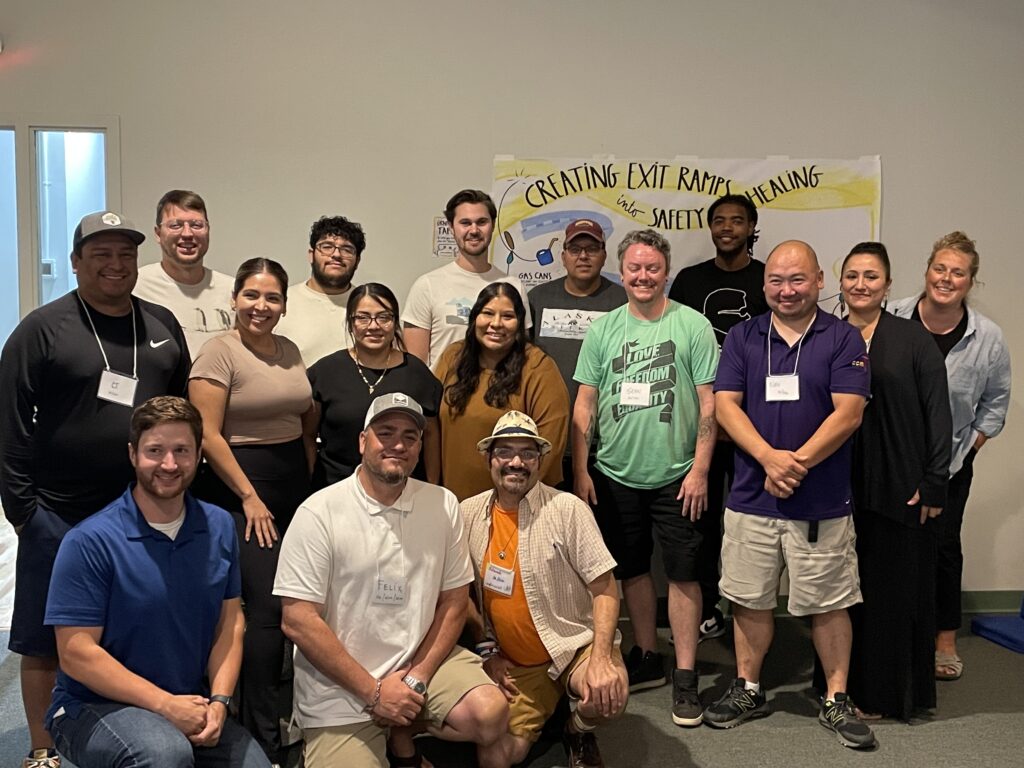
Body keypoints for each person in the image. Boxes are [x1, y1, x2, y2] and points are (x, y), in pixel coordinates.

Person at [0, 210, 190, 768]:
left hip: (141, 512)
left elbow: (178, 417)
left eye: (125, 254)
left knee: (131, 625)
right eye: (101, 254)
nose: (115, 264)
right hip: (58, 513)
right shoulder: (43, 328)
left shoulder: (161, 324)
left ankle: (125, 727)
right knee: (46, 634)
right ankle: (41, 747)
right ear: (78, 262)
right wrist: (26, 515)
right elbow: (8, 426)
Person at [275, 393, 509, 768]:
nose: (398, 445)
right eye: (385, 433)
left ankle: (403, 731)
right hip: (339, 690)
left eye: (410, 436)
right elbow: (298, 620)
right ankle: (392, 741)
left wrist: (416, 679)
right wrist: (375, 693)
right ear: (363, 441)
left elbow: (454, 600)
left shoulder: (442, 504)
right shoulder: (318, 512)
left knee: (490, 714)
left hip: (419, 664)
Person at [707, 240, 875, 749]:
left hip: (820, 500)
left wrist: (795, 462)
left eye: (797, 279)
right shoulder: (743, 336)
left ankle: (835, 697)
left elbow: (849, 413)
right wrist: (769, 459)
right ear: (764, 285)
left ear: (819, 281)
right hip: (751, 498)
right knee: (749, 599)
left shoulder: (844, 339)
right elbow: (725, 405)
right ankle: (749, 688)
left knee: (829, 602)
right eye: (777, 280)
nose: (786, 290)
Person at [44, 396, 270, 768]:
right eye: (155, 451)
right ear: (133, 454)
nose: (169, 464)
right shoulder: (90, 541)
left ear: (200, 455)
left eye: (182, 450)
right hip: (91, 705)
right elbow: (76, 653)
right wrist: (164, 705)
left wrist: (220, 701)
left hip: (187, 700)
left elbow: (230, 623)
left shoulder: (218, 527)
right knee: (163, 754)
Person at [572, 229, 718, 727]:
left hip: (678, 477)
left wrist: (700, 469)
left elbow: (708, 404)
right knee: (631, 568)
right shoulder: (603, 329)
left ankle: (684, 675)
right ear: (622, 271)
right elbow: (584, 405)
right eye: (634, 268)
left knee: (682, 573)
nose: (642, 276)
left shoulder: (693, 326)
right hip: (613, 474)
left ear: (666, 272)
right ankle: (646, 654)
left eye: (652, 268)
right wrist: (580, 471)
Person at [188, 257, 315, 763]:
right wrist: (248, 497)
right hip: (242, 491)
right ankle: (262, 736)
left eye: (272, 298)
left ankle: (285, 711)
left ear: (284, 305)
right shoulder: (218, 353)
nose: (261, 306)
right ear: (234, 299)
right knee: (265, 612)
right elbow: (208, 435)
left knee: (296, 602)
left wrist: (304, 474)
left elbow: (302, 415)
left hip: (290, 487)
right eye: (252, 296)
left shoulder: (289, 350)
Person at [462, 411, 628, 768]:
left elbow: (605, 589)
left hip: (574, 646)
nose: (516, 462)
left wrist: (600, 658)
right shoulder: (468, 514)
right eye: (505, 452)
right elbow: (462, 597)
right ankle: (548, 707)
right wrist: (487, 651)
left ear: (540, 460)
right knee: (497, 755)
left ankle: (577, 728)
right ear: (489, 458)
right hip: (517, 663)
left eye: (528, 453)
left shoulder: (568, 509)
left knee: (608, 691)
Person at [890, 231, 1011, 682]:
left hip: (951, 465)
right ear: (926, 271)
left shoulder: (988, 338)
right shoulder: (893, 316)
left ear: (970, 281)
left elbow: (995, 404)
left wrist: (967, 451)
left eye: (958, 272)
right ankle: (894, 633)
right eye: (939, 268)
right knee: (888, 545)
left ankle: (943, 640)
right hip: (892, 459)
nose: (946, 278)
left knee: (942, 547)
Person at [838, 242, 952, 720]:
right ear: (839, 282)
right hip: (839, 486)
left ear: (887, 284)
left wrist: (934, 481)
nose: (860, 285)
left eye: (871, 276)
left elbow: (939, 413)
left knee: (892, 593)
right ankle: (844, 688)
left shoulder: (913, 339)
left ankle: (889, 694)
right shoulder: (827, 336)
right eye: (852, 276)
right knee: (844, 593)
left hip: (900, 484)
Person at [668, 194, 769, 643]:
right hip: (701, 424)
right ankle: (707, 606)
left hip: (756, 424)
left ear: (751, 226)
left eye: (737, 221)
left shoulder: (768, 280)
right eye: (719, 221)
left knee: (750, 521)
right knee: (701, 521)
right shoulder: (690, 281)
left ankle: (750, 609)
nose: (727, 228)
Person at [434, 282, 569, 501]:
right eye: (488, 313)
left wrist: (512, 502)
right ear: (474, 318)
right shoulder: (452, 357)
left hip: (515, 506)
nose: (496, 324)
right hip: (452, 502)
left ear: (519, 324)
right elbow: (431, 427)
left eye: (507, 316)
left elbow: (549, 447)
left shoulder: (538, 367)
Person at [306, 283, 442, 487]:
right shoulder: (325, 372)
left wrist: (431, 486)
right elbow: (307, 435)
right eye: (363, 317)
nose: (373, 326)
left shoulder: (417, 373)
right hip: (336, 488)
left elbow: (431, 436)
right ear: (350, 323)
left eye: (384, 317)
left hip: (401, 490)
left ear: (395, 322)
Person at [527, 219, 626, 486]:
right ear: (563, 256)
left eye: (592, 248)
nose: (583, 256)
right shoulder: (537, 299)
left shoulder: (623, 302)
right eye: (575, 248)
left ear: (605, 255)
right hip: (546, 436)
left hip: (605, 444)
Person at [403, 189, 530, 368]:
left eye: (482, 222)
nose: (474, 230)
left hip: (500, 392)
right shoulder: (427, 285)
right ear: (451, 227)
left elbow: (521, 354)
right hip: (442, 394)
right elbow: (415, 367)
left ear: (493, 225)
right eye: (465, 223)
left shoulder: (513, 286)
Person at [134, 189, 234, 359]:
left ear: (208, 230)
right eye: (175, 225)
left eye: (196, 225)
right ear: (158, 234)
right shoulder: (135, 286)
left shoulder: (232, 289)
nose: (187, 233)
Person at [275, 215, 365, 366]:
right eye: (327, 247)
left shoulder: (369, 306)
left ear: (357, 261)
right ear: (311, 255)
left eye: (347, 249)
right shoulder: (281, 302)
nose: (336, 255)